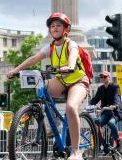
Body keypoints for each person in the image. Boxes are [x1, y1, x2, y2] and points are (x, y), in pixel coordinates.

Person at [6, 13, 89, 160]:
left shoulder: (71, 44)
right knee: (40, 86)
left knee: (70, 107)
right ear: (50, 30)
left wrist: (69, 66)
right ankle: (53, 121)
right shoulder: (49, 47)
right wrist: (16, 70)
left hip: (78, 81)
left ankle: (76, 151)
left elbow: (73, 55)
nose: (55, 28)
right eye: (52, 26)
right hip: (62, 81)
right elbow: (33, 59)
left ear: (66, 29)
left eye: (58, 25)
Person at [89, 71, 122, 151]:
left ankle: (118, 142)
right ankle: (104, 146)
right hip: (106, 112)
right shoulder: (100, 88)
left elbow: (117, 97)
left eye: (105, 77)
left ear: (109, 77)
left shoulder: (115, 87)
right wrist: (89, 104)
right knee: (98, 123)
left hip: (115, 111)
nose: (103, 79)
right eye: (102, 77)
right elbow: (95, 99)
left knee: (111, 123)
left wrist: (115, 105)